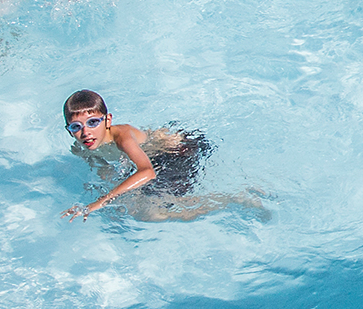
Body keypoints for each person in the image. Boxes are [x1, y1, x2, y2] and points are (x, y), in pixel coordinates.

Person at [60, 90, 263, 223]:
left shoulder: (122, 137)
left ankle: (235, 198)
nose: (86, 132)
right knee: (131, 205)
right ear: (69, 130)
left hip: (179, 150)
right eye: (76, 127)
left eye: (93, 122)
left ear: (108, 120)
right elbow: (105, 171)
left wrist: (101, 201)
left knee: (149, 212)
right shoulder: (81, 148)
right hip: (156, 157)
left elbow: (147, 172)